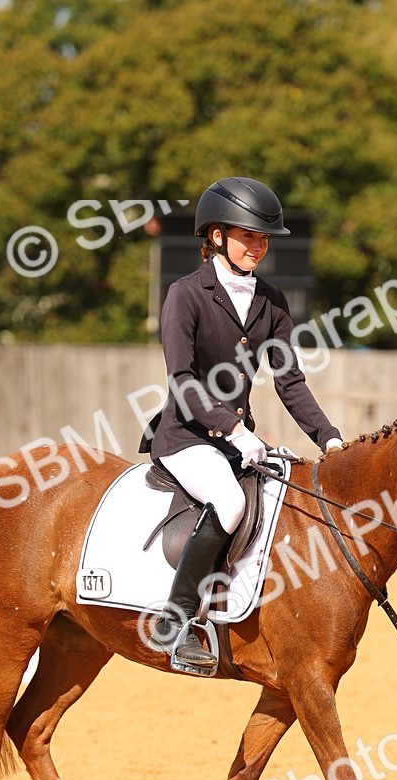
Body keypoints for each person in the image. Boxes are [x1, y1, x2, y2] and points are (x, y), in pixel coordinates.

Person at [141, 176, 344, 667]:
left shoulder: (271, 301)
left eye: (263, 237)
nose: (259, 245)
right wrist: (232, 431)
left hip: (238, 439)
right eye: (249, 235)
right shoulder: (185, 294)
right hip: (185, 435)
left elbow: (289, 381)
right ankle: (177, 618)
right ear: (216, 236)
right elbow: (181, 380)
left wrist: (330, 438)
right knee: (230, 501)